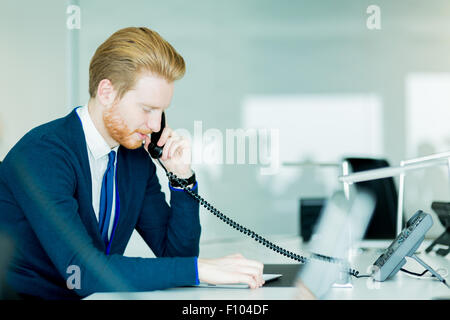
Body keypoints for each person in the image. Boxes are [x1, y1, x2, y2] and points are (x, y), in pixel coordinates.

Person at [0, 27, 264, 300]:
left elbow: (175, 256)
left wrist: (180, 176)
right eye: (147, 109)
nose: (155, 125)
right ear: (106, 92)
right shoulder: (44, 154)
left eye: (162, 112)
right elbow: (81, 272)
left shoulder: (133, 159)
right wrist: (199, 269)